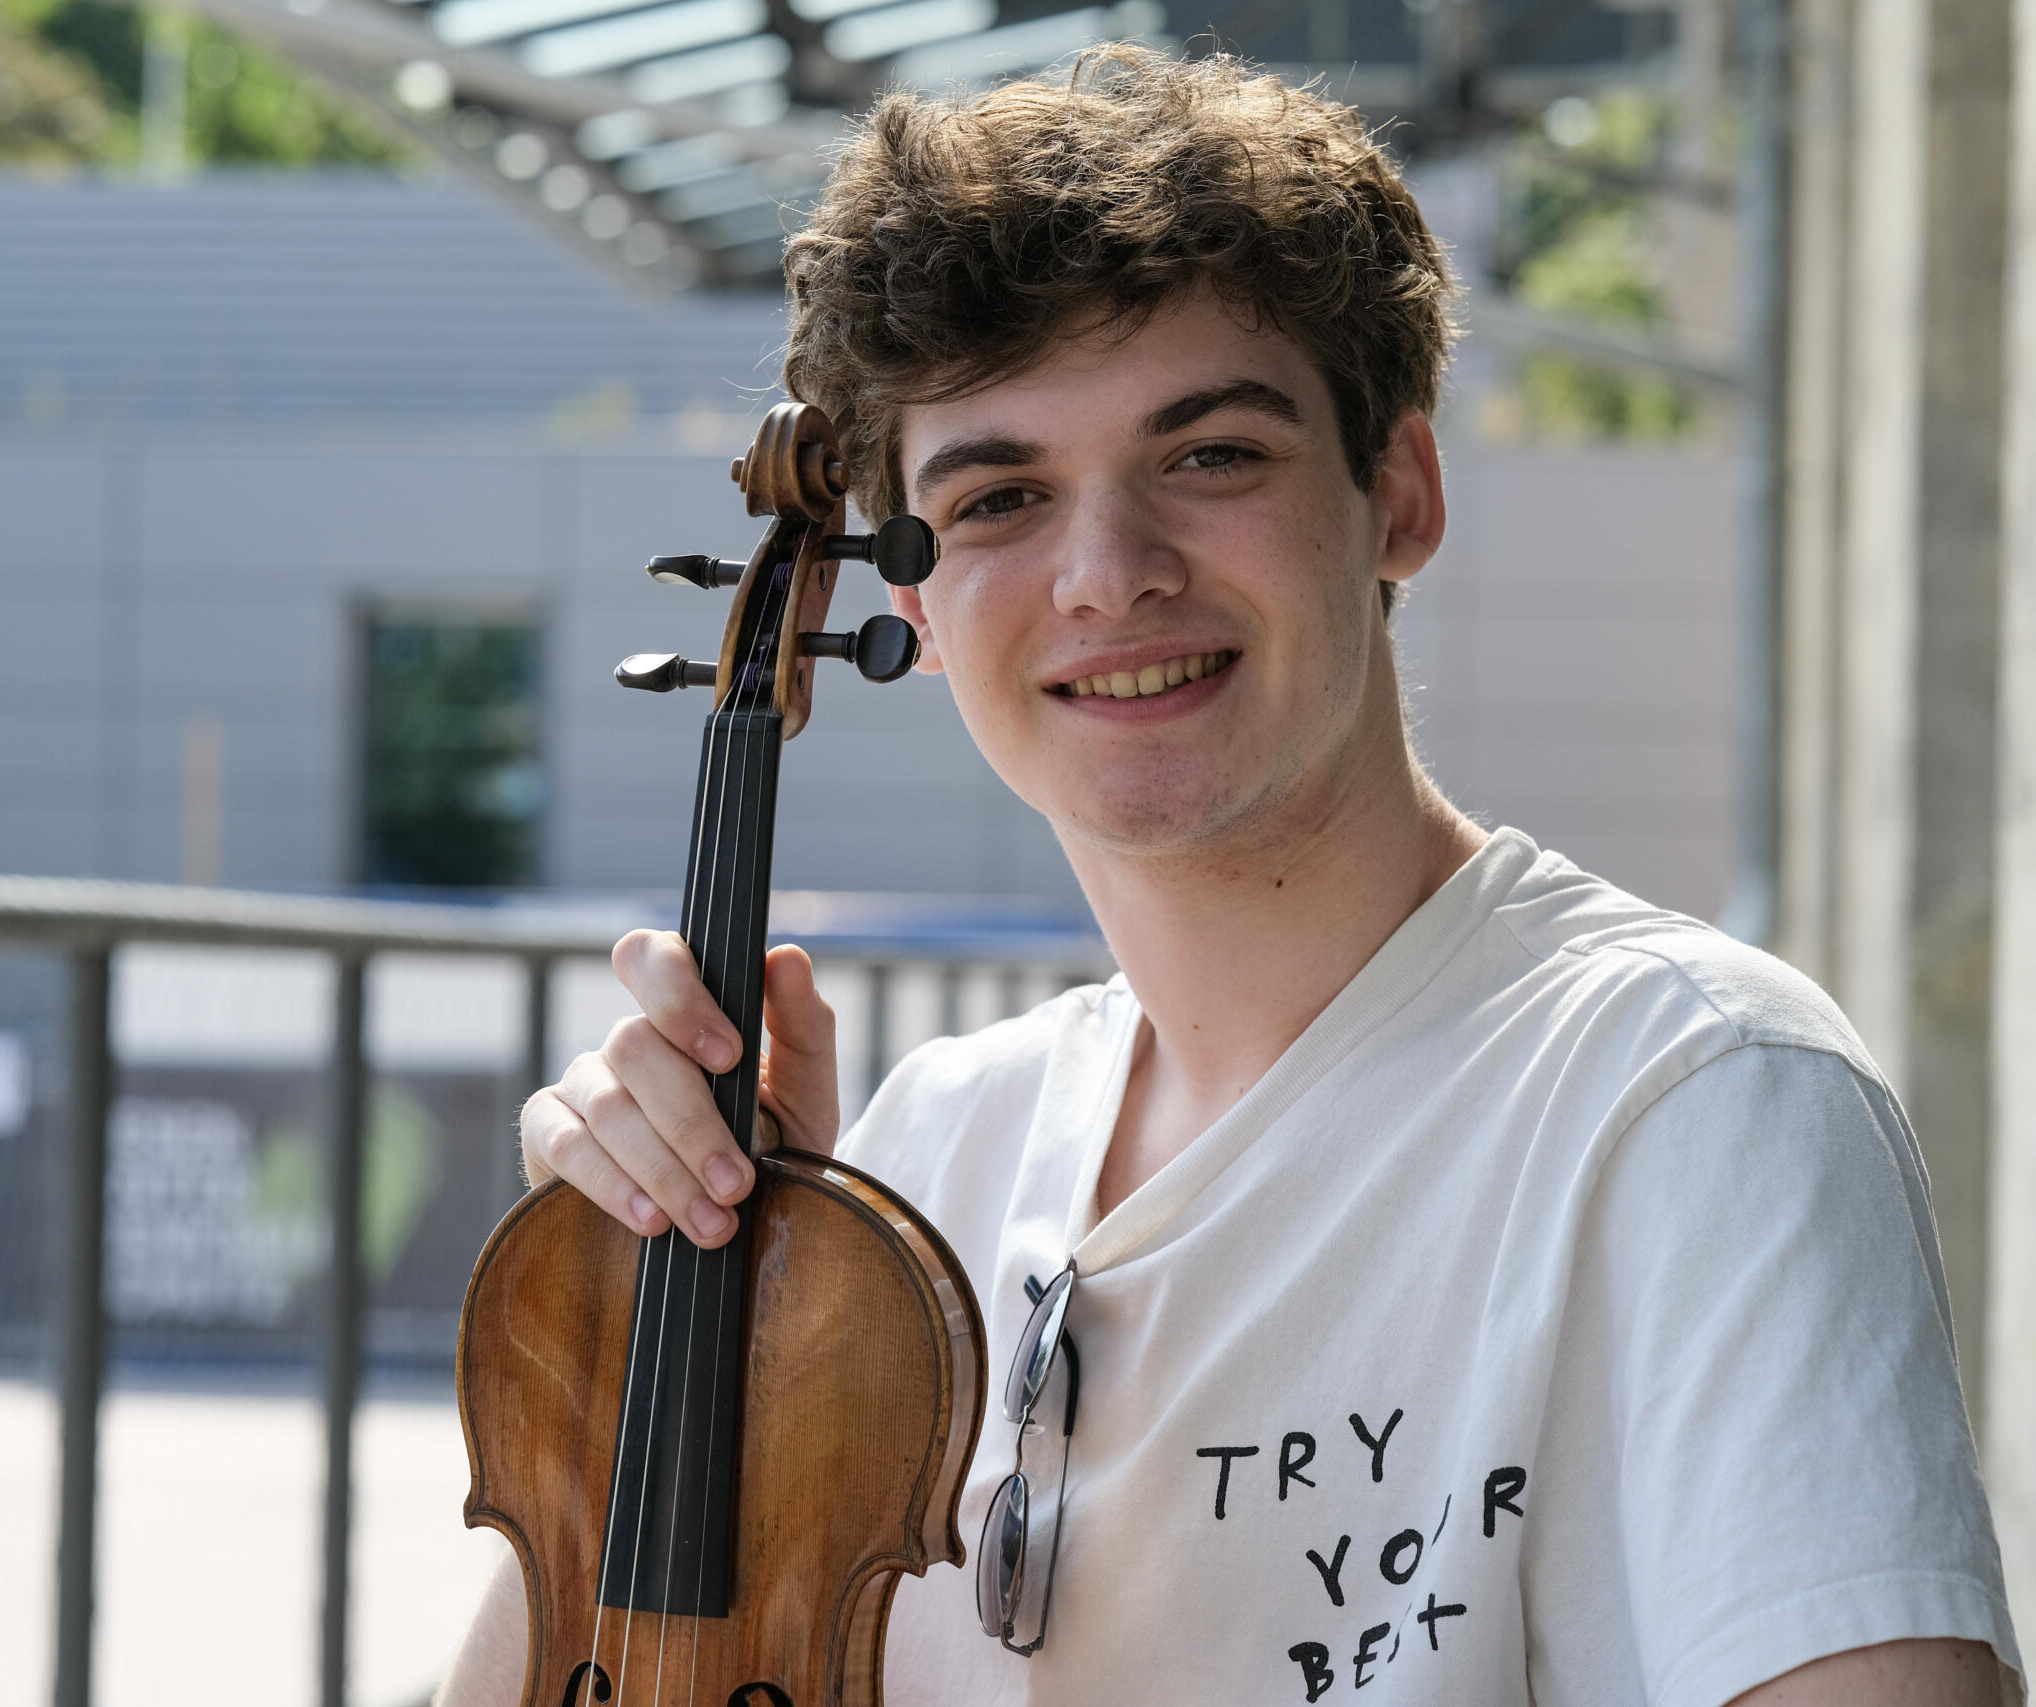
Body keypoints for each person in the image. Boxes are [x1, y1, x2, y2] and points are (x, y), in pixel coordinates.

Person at [439, 46, 2022, 1706]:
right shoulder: (908, 1174)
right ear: (909, 605)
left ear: (1398, 493)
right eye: (999, 498)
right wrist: (648, 1316)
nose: (1108, 576)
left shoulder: (1693, 1101)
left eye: (1211, 456)